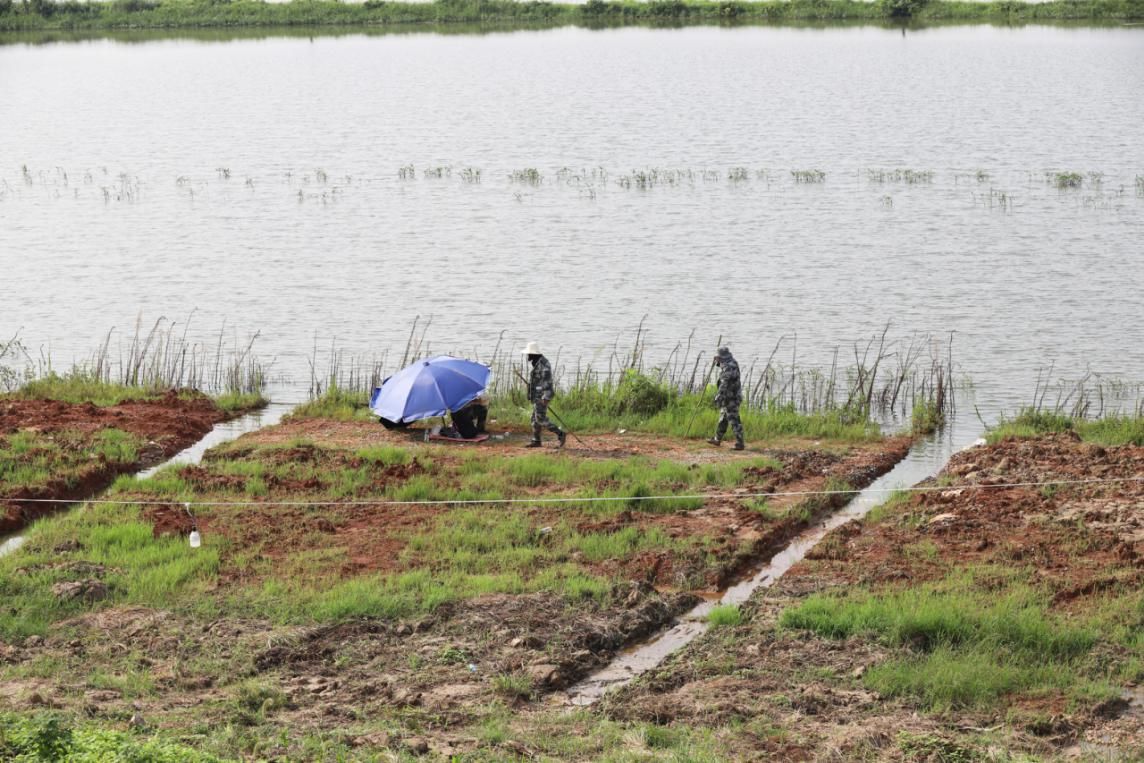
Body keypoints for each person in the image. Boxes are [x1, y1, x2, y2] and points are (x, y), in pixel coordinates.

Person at [522, 341, 566, 448]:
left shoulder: (544, 365)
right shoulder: (537, 362)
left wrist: (546, 397)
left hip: (542, 396)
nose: (527, 356)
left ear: (534, 354)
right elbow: (538, 380)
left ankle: (560, 433)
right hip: (537, 395)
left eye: (529, 354)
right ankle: (536, 440)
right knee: (534, 419)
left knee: (540, 419)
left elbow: (548, 382)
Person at [708, 346, 745, 450]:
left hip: (731, 398)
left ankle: (740, 443)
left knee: (734, 420)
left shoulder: (728, 367)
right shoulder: (732, 363)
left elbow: (724, 383)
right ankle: (717, 439)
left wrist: (718, 396)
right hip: (731, 396)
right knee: (723, 419)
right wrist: (718, 363)